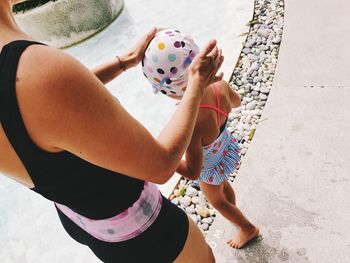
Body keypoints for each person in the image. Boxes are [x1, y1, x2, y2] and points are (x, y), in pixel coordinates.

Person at [0, 1, 224, 262]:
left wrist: (124, 62)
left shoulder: (26, 75)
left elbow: (43, 108)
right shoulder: (32, 67)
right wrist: (196, 83)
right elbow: (162, 164)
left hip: (88, 223)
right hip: (142, 227)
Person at [142, 29, 259, 249]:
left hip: (210, 167)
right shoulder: (220, 85)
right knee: (223, 187)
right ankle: (236, 215)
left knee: (218, 202)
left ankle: (247, 228)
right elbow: (237, 102)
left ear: (177, 89)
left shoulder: (192, 123)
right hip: (226, 150)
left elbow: (193, 171)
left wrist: (169, 157)